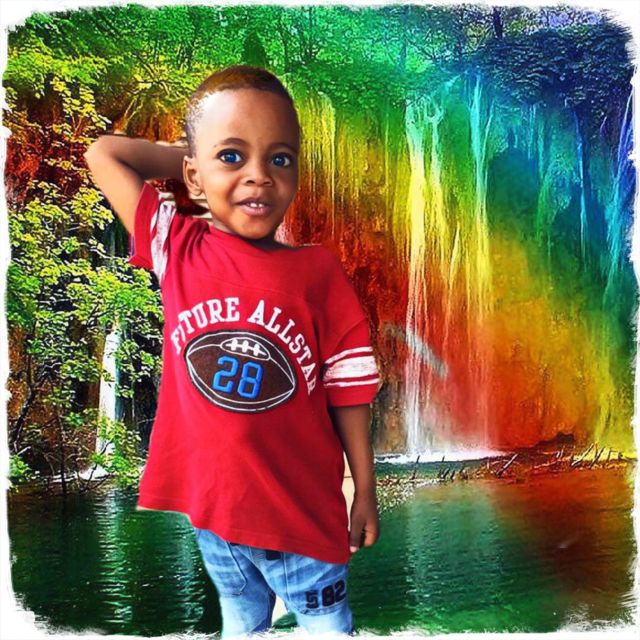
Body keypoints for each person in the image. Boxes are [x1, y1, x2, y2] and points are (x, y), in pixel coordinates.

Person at [84, 65, 382, 638]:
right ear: (193, 176)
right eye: (232, 156)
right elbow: (104, 154)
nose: (259, 176)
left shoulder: (317, 273)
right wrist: (195, 158)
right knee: (242, 626)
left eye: (280, 158)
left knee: (327, 628)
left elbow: (348, 390)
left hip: (302, 518)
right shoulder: (178, 247)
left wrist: (364, 489)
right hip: (216, 520)